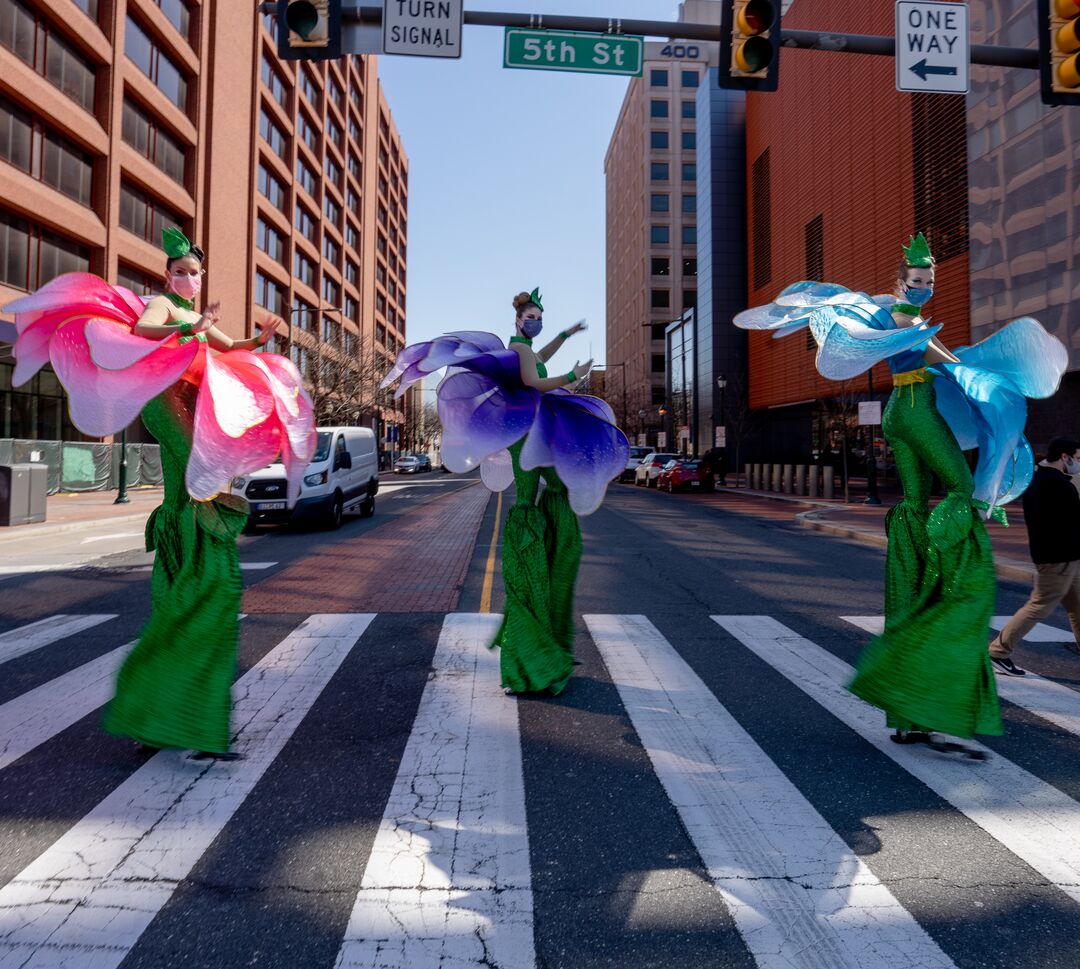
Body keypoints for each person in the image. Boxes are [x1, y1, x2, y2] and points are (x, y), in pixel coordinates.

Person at [735, 232, 1067, 756]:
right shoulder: (906, 320)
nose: (922, 288)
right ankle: (945, 588)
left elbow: (929, 351)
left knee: (913, 510)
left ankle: (910, 701)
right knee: (961, 492)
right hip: (915, 410)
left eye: (929, 282)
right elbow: (944, 363)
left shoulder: (889, 311)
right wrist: (982, 493)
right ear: (901, 281)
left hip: (898, 413)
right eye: (915, 281)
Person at [4, 227, 315, 759]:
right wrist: (190, 324)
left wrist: (262, 337)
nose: (189, 279)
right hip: (166, 402)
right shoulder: (162, 306)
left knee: (204, 588)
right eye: (181, 272)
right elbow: (147, 330)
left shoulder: (193, 316)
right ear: (167, 275)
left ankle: (161, 713)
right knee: (205, 543)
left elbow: (231, 346)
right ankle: (185, 719)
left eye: (194, 272)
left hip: (191, 404)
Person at [381, 288, 629, 694]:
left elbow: (535, 358)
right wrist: (574, 376)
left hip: (526, 426)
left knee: (547, 488)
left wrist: (565, 335)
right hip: (526, 429)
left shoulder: (521, 347)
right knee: (538, 493)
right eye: (532, 316)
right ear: (519, 319)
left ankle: (537, 638)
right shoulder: (520, 350)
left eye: (539, 316)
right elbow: (534, 379)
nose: (536, 320)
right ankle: (533, 653)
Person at [989, 437, 1080, 675]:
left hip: (1061, 555)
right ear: (1065, 456)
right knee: (1039, 605)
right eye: (1078, 458)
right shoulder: (1057, 484)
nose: (1078, 463)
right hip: (1058, 558)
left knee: (1078, 604)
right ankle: (998, 651)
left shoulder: (1039, 479)